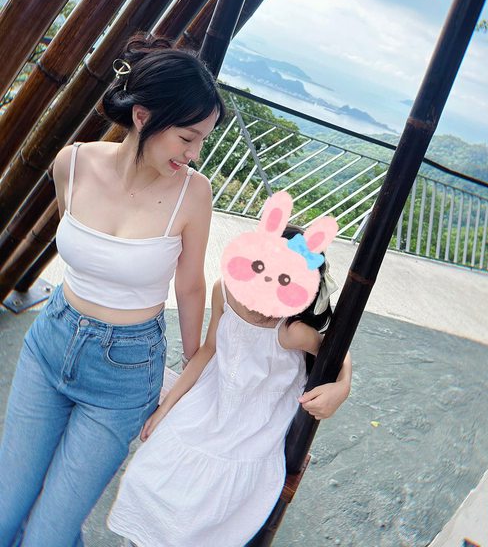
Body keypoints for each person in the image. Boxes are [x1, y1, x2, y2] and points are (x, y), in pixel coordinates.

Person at [0, 34, 225, 547]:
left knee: (48, 535)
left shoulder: (194, 194)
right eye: (187, 138)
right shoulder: (73, 162)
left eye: (202, 141)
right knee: (5, 510)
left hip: (124, 372)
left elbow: (190, 287)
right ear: (143, 117)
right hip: (50, 341)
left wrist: (190, 372)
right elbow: (81, 249)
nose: (194, 154)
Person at [107, 220, 352, 547]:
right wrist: (167, 407)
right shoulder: (224, 290)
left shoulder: (291, 331)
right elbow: (209, 349)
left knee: (209, 500)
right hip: (216, 394)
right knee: (150, 471)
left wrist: (343, 387)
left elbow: (336, 352)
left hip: (257, 414)